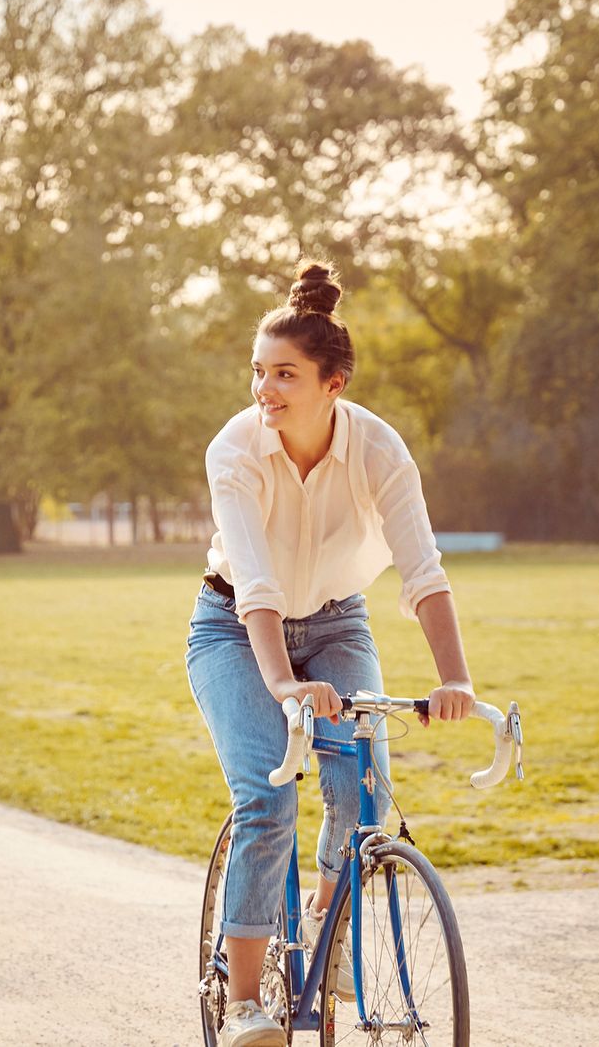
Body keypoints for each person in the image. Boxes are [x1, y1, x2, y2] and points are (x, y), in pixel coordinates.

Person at [186, 259, 479, 1047]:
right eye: (258, 372)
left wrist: (455, 678)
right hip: (232, 629)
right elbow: (253, 583)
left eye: (284, 374)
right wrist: (282, 682)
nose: (264, 390)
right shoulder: (236, 450)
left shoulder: (379, 451)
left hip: (338, 622)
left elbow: (423, 572)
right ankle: (246, 1001)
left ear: (333, 382)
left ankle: (327, 924)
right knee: (268, 795)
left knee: (362, 786)